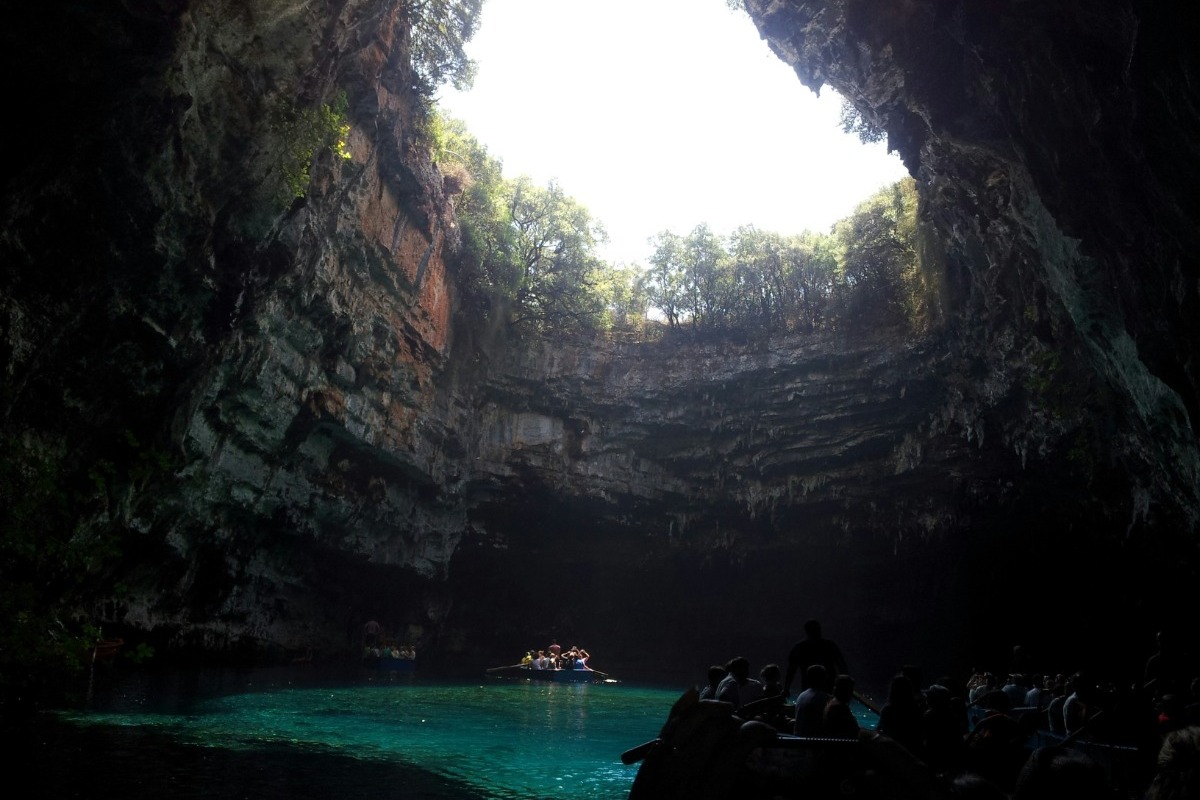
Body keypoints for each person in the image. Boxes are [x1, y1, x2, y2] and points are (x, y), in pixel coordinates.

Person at [784, 619, 848, 697]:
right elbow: (842, 666)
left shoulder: (799, 647)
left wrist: (786, 688)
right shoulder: (830, 645)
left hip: (808, 688)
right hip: (828, 687)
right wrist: (845, 685)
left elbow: (791, 671)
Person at [876, 673, 923, 756]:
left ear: (892, 689)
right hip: (913, 751)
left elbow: (883, 730)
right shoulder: (917, 709)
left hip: (893, 751)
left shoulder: (888, 709)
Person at [793, 664, 832, 736]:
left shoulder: (801, 695)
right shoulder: (824, 698)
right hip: (812, 741)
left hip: (799, 737)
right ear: (822, 678)